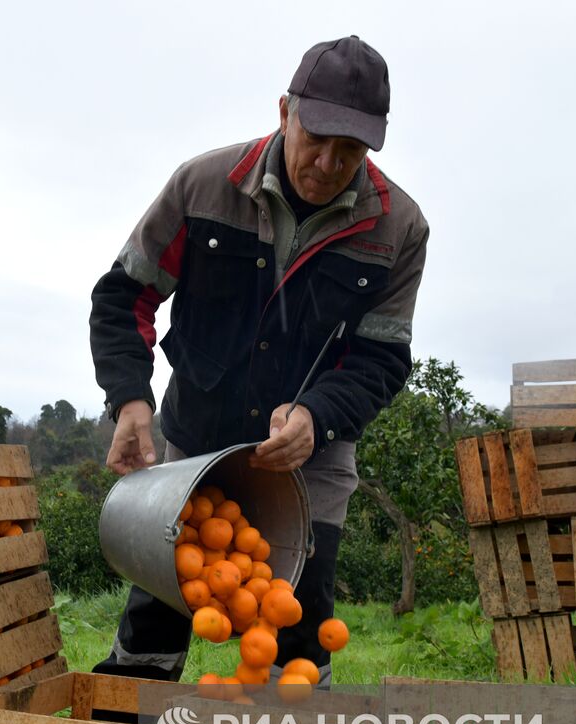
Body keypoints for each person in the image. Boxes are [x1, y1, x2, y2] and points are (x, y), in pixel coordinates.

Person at [88, 36, 429, 687]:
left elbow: (381, 359)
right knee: (158, 610)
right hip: (196, 439)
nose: (329, 163)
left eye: (351, 149)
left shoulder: (398, 230)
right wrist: (130, 398)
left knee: (296, 619)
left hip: (310, 458)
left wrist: (316, 415)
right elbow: (126, 295)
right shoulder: (204, 187)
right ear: (284, 111)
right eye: (317, 137)